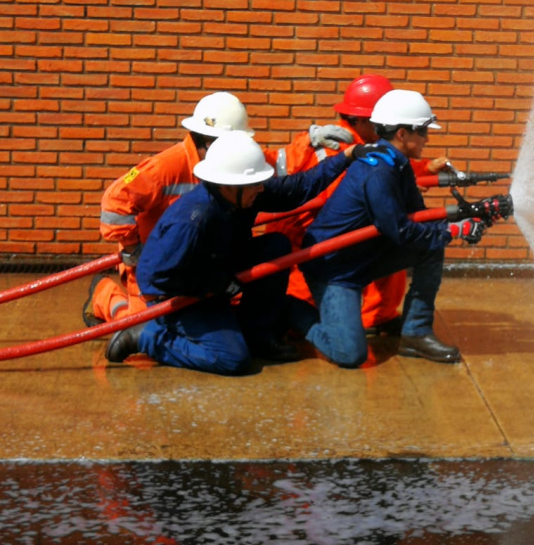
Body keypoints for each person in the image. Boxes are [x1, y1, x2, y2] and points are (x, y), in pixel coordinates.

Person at [103, 131, 384, 375]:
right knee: (232, 359)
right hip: (181, 294)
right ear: (229, 186)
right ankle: (147, 337)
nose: (261, 189)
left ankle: (258, 332)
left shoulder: (242, 192)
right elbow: (157, 277)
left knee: (276, 246)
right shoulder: (194, 219)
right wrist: (217, 283)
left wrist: (347, 156)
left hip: (216, 268)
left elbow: (297, 189)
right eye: (255, 184)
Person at [298, 89, 488, 368]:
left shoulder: (396, 164)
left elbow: (419, 217)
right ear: (401, 134)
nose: (427, 138)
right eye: (422, 131)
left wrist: (473, 216)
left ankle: (416, 334)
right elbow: (399, 231)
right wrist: (454, 231)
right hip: (334, 269)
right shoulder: (379, 171)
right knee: (350, 355)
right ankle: (291, 311)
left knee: (430, 247)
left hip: (362, 256)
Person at [262, 75, 449, 338]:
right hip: (311, 251)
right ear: (363, 120)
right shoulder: (334, 148)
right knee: (322, 329)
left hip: (333, 244)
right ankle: (300, 314)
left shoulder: (362, 145)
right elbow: (349, 194)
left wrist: (422, 169)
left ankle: (378, 317)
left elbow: (385, 169)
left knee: (396, 237)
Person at [83, 92, 254, 329]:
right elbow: (115, 199)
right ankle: (104, 295)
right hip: (154, 268)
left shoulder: (227, 165)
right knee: (143, 329)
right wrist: (134, 249)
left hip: (193, 267)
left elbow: (273, 165)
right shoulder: (165, 167)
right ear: (208, 140)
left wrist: (309, 142)